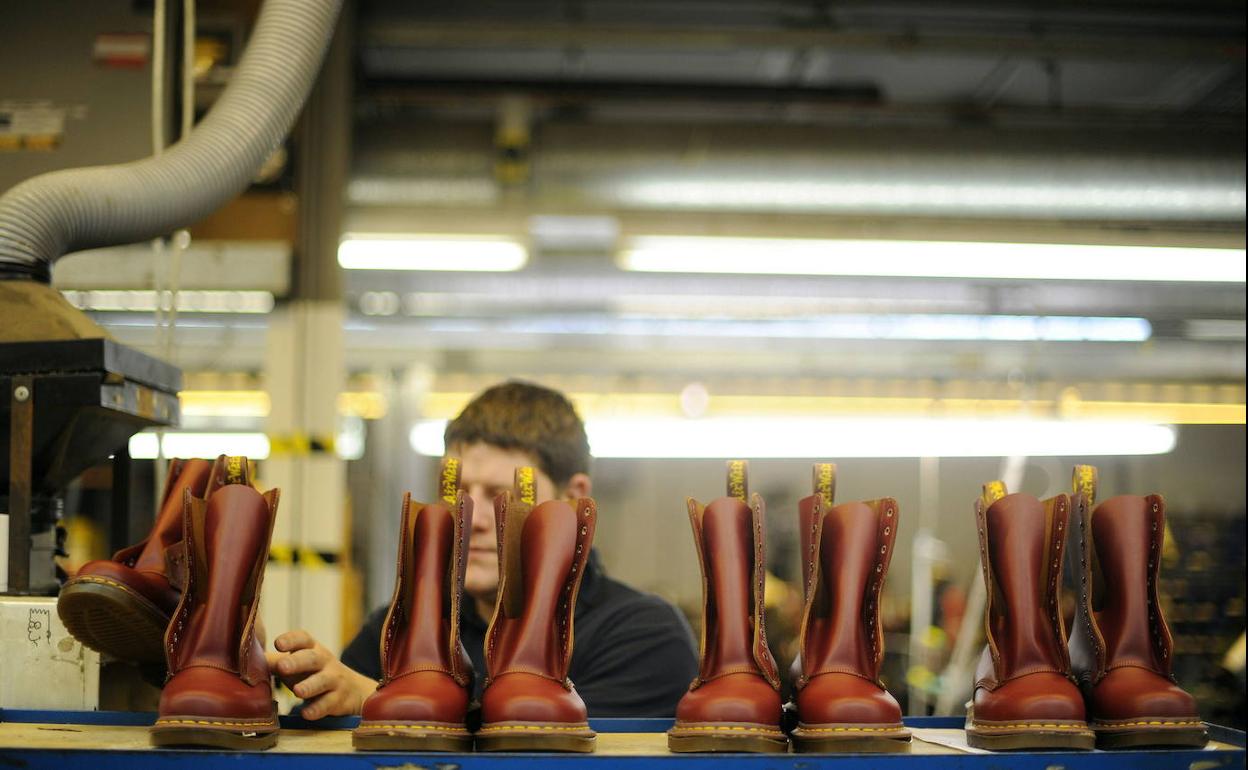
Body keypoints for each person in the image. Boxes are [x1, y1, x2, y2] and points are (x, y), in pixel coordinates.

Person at [266, 380, 699, 720]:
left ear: (572, 498)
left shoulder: (642, 635)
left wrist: (379, 702)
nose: (469, 518)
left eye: (499, 495)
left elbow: (545, 752)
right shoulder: (393, 631)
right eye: (456, 494)